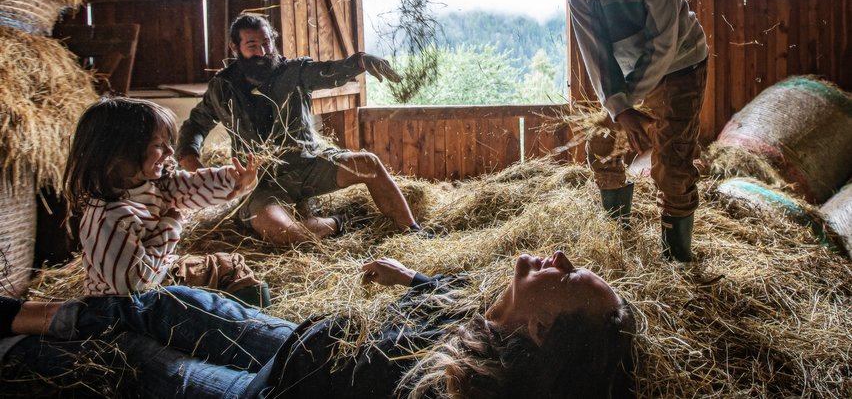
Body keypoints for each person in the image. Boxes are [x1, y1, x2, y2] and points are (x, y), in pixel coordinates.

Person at [0, 251, 636, 398]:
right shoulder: (478, 307)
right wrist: (409, 279)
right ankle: (24, 315)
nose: (561, 259)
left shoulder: (446, 389)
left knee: (132, 356)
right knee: (169, 305)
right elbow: (436, 292)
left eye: (572, 277)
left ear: (542, 332)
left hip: (269, 392)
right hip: (299, 337)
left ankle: (12, 351)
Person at [549, 0, 709, 262]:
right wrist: (620, 109)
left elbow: (663, 45)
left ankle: (677, 258)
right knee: (603, 143)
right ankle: (618, 233)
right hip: (638, 76)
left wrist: (628, 100)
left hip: (681, 66)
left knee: (671, 164)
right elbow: (598, 60)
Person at [176, 14, 429, 247]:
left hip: (307, 165)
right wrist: (191, 160)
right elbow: (195, 125)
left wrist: (361, 61)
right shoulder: (222, 87)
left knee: (368, 163)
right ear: (235, 48)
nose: (263, 51)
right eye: (252, 46)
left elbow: (329, 72)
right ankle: (341, 222)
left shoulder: (294, 72)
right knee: (287, 235)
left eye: (267, 43)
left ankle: (412, 232)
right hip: (260, 183)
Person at [63, 96, 268, 306]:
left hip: (163, 277)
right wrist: (170, 226)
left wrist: (234, 181)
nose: (170, 151)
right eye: (159, 145)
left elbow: (192, 186)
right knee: (214, 288)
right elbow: (131, 285)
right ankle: (245, 328)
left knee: (231, 267)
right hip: (129, 308)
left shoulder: (150, 184)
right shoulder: (110, 218)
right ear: (120, 153)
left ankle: (259, 325)